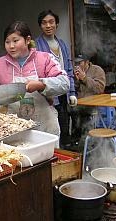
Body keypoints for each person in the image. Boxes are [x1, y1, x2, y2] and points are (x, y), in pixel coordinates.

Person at [0, 20, 69, 139]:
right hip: (14, 128)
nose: (11, 46)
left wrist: (41, 85)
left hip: (44, 127)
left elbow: (64, 82)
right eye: (7, 42)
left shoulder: (44, 59)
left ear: (27, 40)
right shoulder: (0, 64)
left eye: (15, 41)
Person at [35, 10, 77, 148]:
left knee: (65, 128)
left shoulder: (62, 44)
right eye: (44, 23)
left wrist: (72, 92)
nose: (48, 25)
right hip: (48, 96)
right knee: (51, 130)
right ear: (40, 25)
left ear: (57, 24)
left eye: (51, 22)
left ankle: (64, 158)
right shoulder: (36, 46)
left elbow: (69, 69)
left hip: (63, 94)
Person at [70, 54, 106, 147]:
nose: (77, 65)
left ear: (87, 62)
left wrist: (85, 79)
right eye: (75, 63)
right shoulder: (74, 72)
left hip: (92, 105)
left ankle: (88, 144)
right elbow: (73, 89)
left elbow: (100, 89)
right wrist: (77, 81)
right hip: (78, 106)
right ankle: (76, 143)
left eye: (79, 62)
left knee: (86, 121)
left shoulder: (97, 70)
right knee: (72, 114)